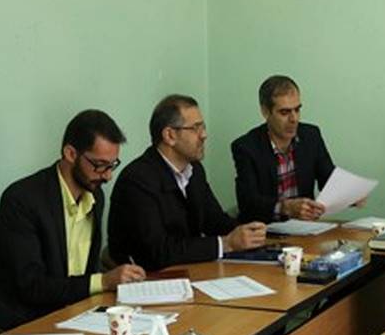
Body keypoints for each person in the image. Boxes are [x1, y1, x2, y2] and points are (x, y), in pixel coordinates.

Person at [0, 111, 146, 330]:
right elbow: (31, 286)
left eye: (112, 165)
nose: (108, 176)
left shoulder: (95, 195)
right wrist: (104, 281)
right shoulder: (22, 200)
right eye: (99, 165)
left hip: (78, 315)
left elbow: (85, 271)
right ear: (70, 153)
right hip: (29, 323)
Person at [108, 94, 266, 270]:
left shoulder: (194, 170)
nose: (204, 135)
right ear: (170, 135)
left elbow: (215, 221)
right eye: (195, 128)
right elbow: (158, 251)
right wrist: (226, 243)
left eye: (203, 127)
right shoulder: (137, 180)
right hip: (148, 277)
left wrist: (251, 233)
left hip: (188, 271)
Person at [231, 75, 335, 224]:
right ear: (265, 112)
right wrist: (284, 207)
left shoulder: (311, 136)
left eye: (297, 110)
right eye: (285, 112)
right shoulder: (246, 147)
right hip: (266, 229)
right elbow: (248, 203)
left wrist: (349, 194)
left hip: (305, 228)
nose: (294, 119)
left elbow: (329, 180)